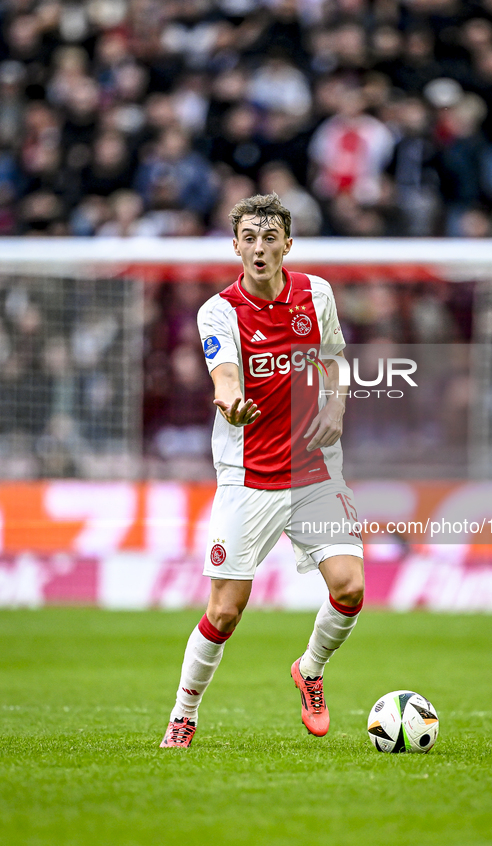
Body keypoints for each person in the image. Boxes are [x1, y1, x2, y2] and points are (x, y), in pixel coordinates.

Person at [160, 192, 364, 748]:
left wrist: (336, 404)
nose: (259, 248)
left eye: (269, 237)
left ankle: (312, 670)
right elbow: (224, 376)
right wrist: (232, 403)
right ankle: (184, 713)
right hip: (248, 477)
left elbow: (336, 360)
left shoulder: (315, 294)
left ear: (287, 245)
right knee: (225, 613)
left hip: (314, 472)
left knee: (350, 588)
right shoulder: (219, 311)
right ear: (235, 246)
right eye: (248, 238)